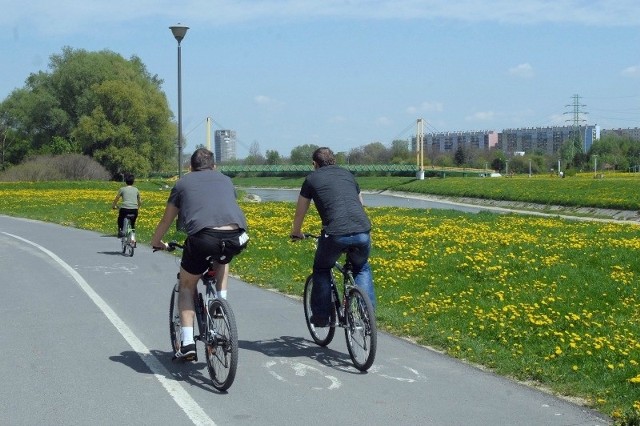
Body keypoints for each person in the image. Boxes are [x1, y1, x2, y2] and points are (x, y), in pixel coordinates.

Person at [151, 148, 249, 360]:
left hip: (203, 238)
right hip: (237, 236)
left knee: (187, 286)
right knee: (223, 257)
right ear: (214, 166)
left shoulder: (182, 184)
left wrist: (156, 241)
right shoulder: (226, 180)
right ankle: (219, 303)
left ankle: (187, 343)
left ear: (190, 167)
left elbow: (167, 220)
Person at [290, 147, 375, 327]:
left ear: (315, 164)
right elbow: (360, 203)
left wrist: (296, 232)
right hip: (362, 230)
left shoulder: (311, 179)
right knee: (362, 268)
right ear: (334, 160)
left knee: (321, 269)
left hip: (336, 234)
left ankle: (321, 317)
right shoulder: (348, 175)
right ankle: (368, 315)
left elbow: (300, 212)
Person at [112, 174, 141, 239]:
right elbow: (139, 201)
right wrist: (138, 207)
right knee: (132, 224)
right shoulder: (136, 190)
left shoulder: (122, 189)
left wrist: (114, 206)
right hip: (134, 210)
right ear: (133, 182)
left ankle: (121, 231)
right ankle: (133, 239)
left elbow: (117, 199)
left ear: (126, 181)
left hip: (124, 209)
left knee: (120, 219)